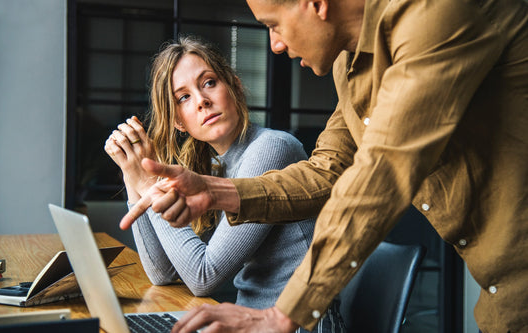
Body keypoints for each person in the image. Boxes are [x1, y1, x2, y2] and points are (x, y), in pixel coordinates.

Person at [120, 0, 528, 332]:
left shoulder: (435, 14)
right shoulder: (349, 66)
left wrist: (283, 314)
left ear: (314, 4)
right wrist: (216, 191)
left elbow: (382, 172)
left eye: (273, 24)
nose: (275, 44)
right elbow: (327, 171)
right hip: (502, 296)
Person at [104, 36, 344, 332]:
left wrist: (150, 183)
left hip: (300, 326)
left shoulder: (272, 148)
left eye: (208, 83)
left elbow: (203, 276)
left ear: (235, 86)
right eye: (184, 98)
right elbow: (162, 273)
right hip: (248, 323)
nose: (202, 101)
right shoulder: (217, 167)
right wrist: (132, 174)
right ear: (179, 121)